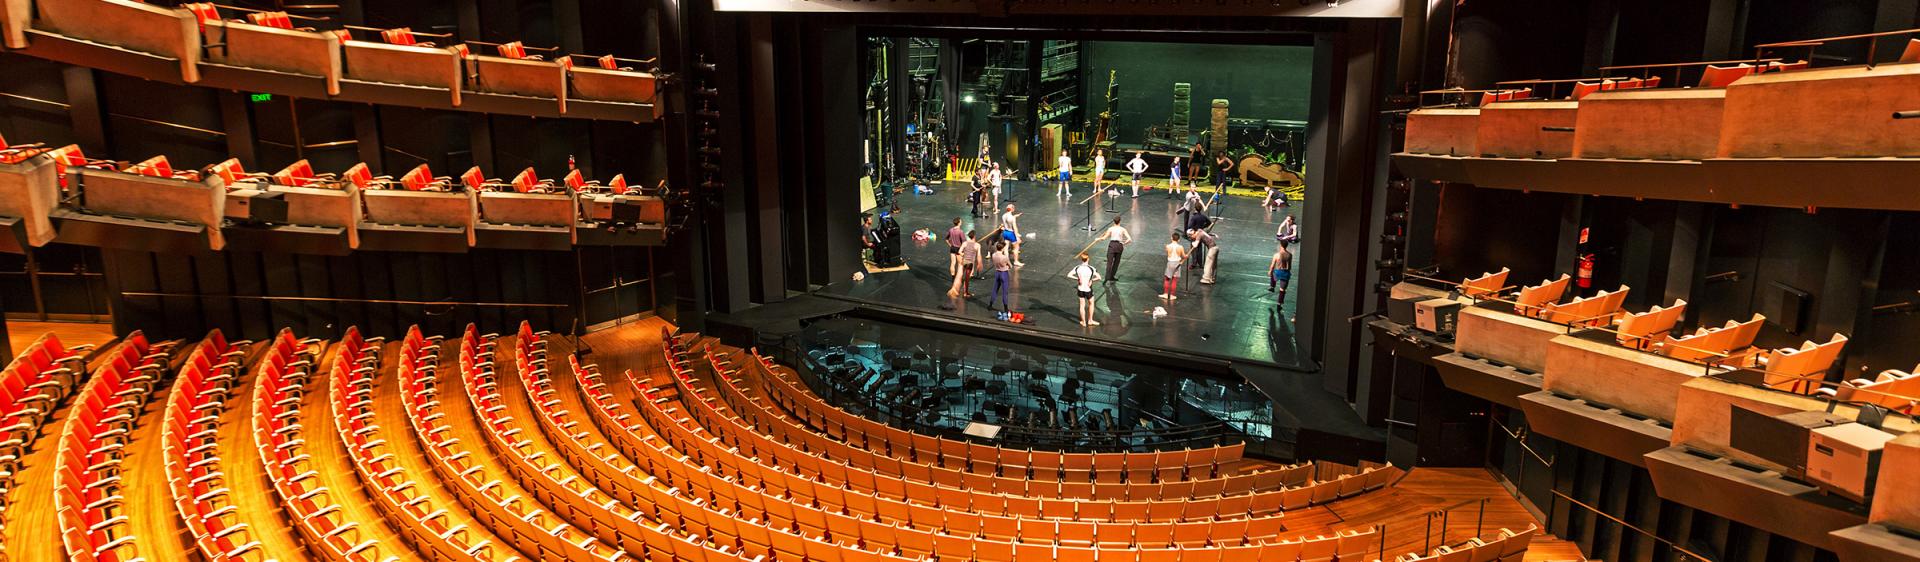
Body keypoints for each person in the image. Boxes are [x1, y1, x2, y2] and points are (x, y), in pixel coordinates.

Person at [1095, 216, 1131, 283]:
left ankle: (1107, 277)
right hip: (1119, 246)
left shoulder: (1110, 229)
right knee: (1116, 262)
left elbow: (1104, 238)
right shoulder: (1123, 229)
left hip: (1112, 245)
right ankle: (1112, 276)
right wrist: (1123, 243)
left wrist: (1098, 239)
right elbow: (1129, 239)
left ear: (1114, 221)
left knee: (1109, 262)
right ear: (1120, 221)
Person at [1070, 252, 1102, 326]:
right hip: (1088, 289)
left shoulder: (1077, 267)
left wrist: (1077, 278)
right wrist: (1092, 280)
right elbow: (1099, 278)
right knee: (1091, 303)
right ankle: (1090, 320)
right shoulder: (1092, 268)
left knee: (1082, 305)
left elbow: (1069, 275)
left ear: (1082, 259)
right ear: (1088, 259)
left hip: (1080, 289)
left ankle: (1083, 322)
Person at [950, 230, 983, 298]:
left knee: (960, 277)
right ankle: (966, 293)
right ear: (974, 236)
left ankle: (955, 290)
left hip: (964, 262)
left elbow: (959, 252)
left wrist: (964, 254)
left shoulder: (965, 243)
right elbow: (978, 256)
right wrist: (979, 263)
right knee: (967, 279)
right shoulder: (977, 245)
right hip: (970, 263)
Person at [1160, 233, 1187, 301]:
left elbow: (1168, 252)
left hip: (1170, 263)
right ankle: (1172, 295)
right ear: (1179, 240)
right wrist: (1186, 256)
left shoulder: (1168, 246)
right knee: (1174, 280)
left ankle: (1166, 294)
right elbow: (1183, 256)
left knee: (1167, 279)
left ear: (1171, 238)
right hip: (1177, 263)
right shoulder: (1180, 247)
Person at [989, 241, 1013, 311]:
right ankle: (1006, 308)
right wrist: (1007, 267)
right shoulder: (1004, 257)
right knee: (1004, 292)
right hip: (1004, 273)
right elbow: (1010, 266)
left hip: (997, 273)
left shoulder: (993, 255)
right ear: (1002, 249)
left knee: (995, 289)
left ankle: (990, 305)